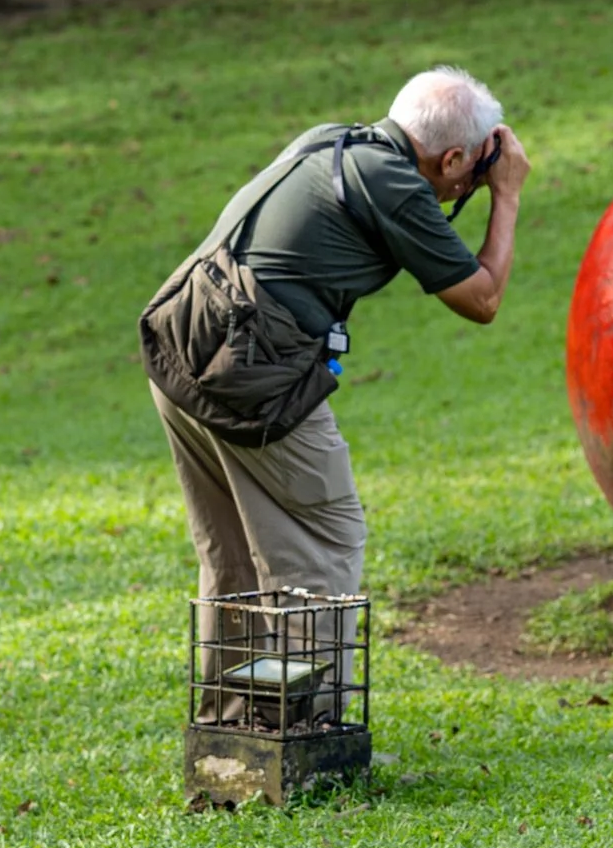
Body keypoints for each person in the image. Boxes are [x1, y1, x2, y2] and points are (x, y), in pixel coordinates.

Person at [142, 67, 530, 632]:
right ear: (450, 160)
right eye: (472, 170)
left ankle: (231, 718)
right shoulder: (394, 183)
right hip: (250, 368)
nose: (467, 185)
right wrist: (508, 195)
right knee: (325, 537)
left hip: (181, 332)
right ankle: (306, 718)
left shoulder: (329, 138)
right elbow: (483, 299)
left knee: (232, 555)